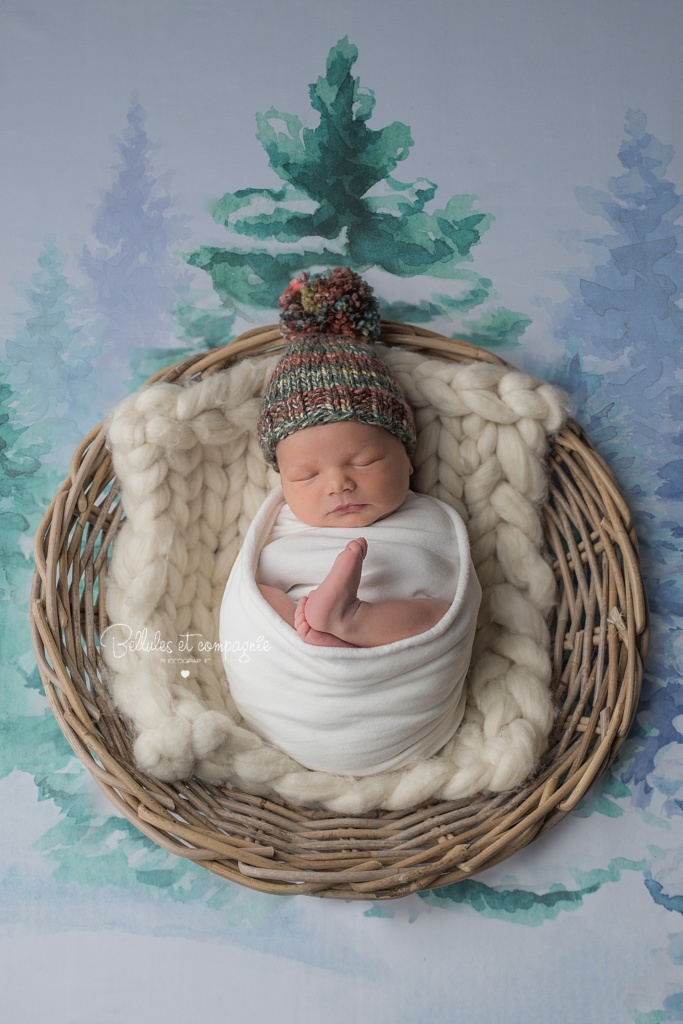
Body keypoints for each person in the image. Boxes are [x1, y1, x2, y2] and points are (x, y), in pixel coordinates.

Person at [219, 267, 481, 776]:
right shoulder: (283, 528)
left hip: (399, 688)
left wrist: (371, 628)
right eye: (305, 474)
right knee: (256, 600)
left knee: (436, 613)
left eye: (363, 462)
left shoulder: (427, 520)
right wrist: (281, 620)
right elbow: (245, 606)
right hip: (296, 678)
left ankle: (351, 621)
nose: (337, 484)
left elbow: (457, 603)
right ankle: (327, 625)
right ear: (282, 482)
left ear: (408, 459)